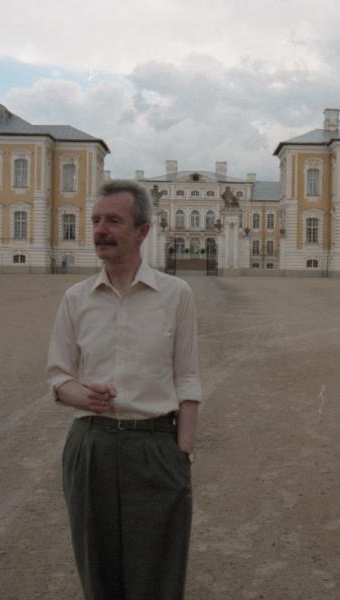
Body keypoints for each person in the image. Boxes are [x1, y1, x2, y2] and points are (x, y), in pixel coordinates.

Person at [46, 180, 201, 600]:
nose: (101, 230)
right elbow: (58, 378)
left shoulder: (176, 295)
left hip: (155, 447)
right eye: (96, 220)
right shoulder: (75, 298)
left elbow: (187, 379)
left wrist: (182, 455)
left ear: (143, 231)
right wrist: (85, 396)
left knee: (157, 578)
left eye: (114, 221)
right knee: (100, 576)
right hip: (91, 445)